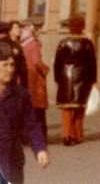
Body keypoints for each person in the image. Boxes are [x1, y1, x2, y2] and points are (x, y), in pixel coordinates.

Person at [0, 40, 48, 183]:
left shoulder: (21, 95)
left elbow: (31, 124)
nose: (10, 69)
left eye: (12, 65)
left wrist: (40, 148)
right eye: (5, 65)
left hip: (12, 158)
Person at [53, 15, 97, 146]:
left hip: (65, 78)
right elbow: (92, 63)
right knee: (79, 109)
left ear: (70, 28)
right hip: (82, 78)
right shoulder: (87, 43)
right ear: (82, 27)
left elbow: (57, 63)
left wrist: (57, 78)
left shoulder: (63, 42)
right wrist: (93, 80)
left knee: (66, 110)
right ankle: (77, 135)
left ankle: (66, 134)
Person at [19, 23, 48, 143]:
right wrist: (45, 69)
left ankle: (25, 135)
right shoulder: (34, 44)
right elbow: (37, 62)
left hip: (25, 78)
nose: (39, 32)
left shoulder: (22, 44)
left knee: (27, 108)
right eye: (37, 29)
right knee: (38, 109)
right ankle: (39, 136)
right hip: (35, 79)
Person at [0, 22, 28, 90]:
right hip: (7, 76)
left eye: (19, 27)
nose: (19, 30)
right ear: (10, 31)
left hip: (16, 76)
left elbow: (22, 63)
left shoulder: (18, 43)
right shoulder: (4, 43)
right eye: (16, 28)